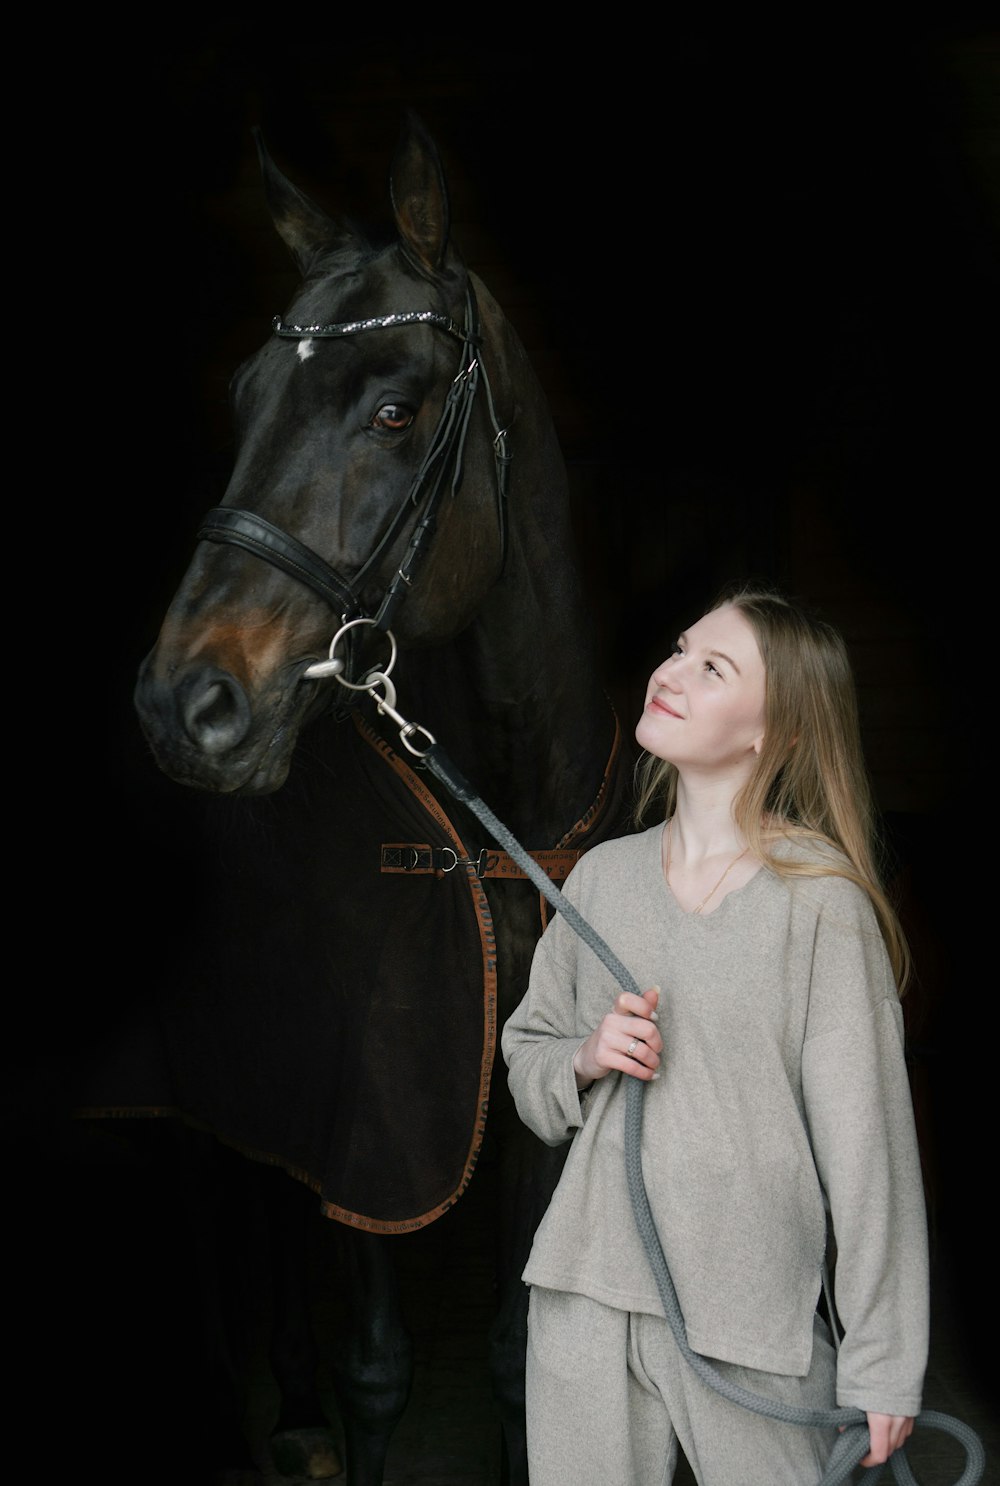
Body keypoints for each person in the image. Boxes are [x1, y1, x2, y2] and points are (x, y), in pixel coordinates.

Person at [501, 584, 929, 1486]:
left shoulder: (822, 907)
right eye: (680, 648)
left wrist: (885, 1359)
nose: (673, 673)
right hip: (585, 1294)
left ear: (775, 732)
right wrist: (582, 1058)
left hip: (751, 1322)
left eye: (714, 667)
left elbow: (870, 1155)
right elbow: (527, 1049)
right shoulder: (602, 882)